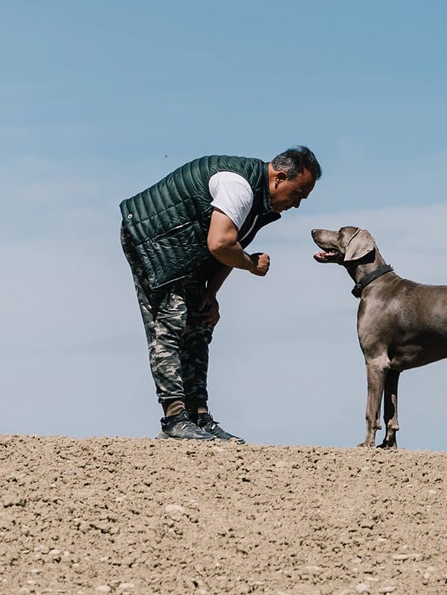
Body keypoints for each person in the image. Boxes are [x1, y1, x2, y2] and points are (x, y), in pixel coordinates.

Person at [120, 146, 322, 441]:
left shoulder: (258, 201)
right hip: (153, 241)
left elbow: (231, 246)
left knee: (200, 321)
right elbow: (221, 244)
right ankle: (175, 417)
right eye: (297, 195)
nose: (296, 205)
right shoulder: (238, 187)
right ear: (279, 177)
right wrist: (251, 265)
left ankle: (199, 417)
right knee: (171, 323)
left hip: (185, 249)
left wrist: (210, 293)